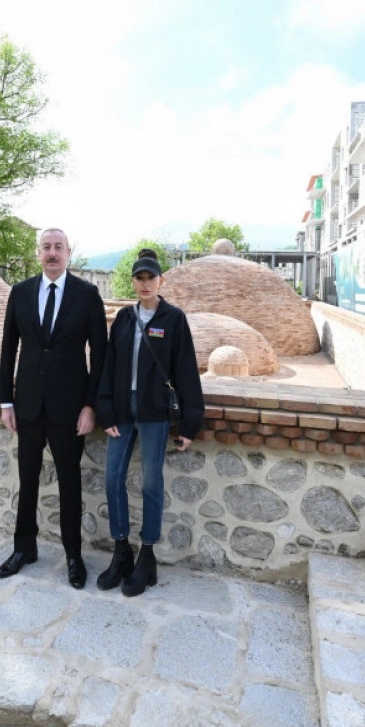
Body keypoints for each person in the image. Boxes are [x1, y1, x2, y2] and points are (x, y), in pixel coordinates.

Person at [0, 228, 107, 589]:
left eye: (58, 247)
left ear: (69, 252)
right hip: (27, 405)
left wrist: (90, 406)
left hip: (69, 408)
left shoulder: (87, 295)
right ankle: (23, 549)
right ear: (38, 253)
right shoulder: (21, 292)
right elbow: (8, 348)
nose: (52, 253)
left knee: (69, 483)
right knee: (27, 480)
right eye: (46, 247)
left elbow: (100, 355)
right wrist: (6, 400)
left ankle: (73, 556)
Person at [94, 249, 204, 597]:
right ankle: (121, 551)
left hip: (155, 412)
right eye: (139, 278)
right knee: (113, 479)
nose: (145, 284)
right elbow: (109, 366)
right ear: (133, 282)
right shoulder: (124, 319)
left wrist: (190, 423)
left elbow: (185, 369)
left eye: (150, 278)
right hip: (122, 411)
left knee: (152, 484)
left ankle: (147, 555)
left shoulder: (173, 319)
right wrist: (105, 410)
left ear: (161, 281)